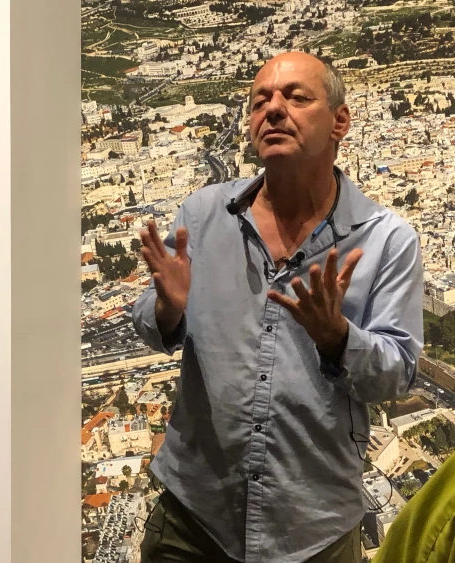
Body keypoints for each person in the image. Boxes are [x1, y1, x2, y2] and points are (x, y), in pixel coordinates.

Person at [133, 52, 424, 563]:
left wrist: (337, 338)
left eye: (296, 96)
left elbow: (397, 376)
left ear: (340, 121)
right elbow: (153, 319)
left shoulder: (387, 241)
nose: (273, 109)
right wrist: (166, 310)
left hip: (312, 529)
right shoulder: (202, 215)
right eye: (259, 100)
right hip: (193, 520)